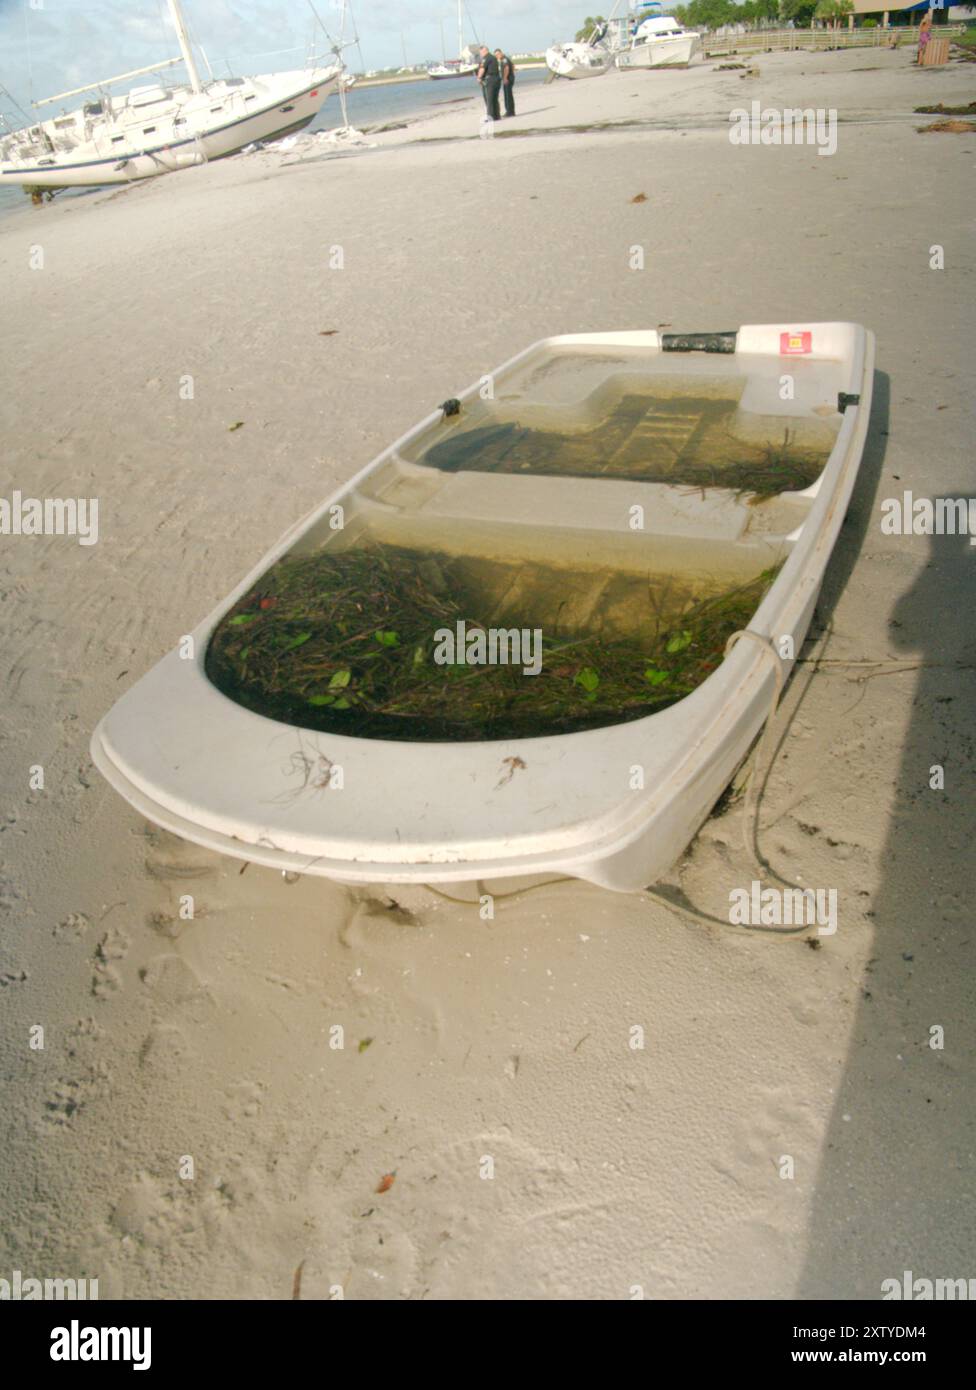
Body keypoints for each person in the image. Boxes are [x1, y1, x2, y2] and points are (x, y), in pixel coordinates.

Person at [477, 45, 501, 121]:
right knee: (495, 99)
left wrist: (479, 78)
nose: (480, 54)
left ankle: (490, 117)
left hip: (490, 80)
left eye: (481, 52)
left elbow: (482, 69)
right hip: (497, 79)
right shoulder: (493, 57)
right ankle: (497, 116)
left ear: (484, 51)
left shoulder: (486, 58)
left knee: (489, 99)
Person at [495, 49, 516, 118]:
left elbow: (506, 68)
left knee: (508, 96)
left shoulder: (504, 59)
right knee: (508, 95)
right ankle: (510, 111)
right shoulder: (505, 59)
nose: (497, 56)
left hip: (507, 79)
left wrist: (505, 78)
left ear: (501, 53)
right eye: (496, 55)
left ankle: (510, 112)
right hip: (510, 78)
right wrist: (512, 74)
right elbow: (513, 66)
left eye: (498, 54)